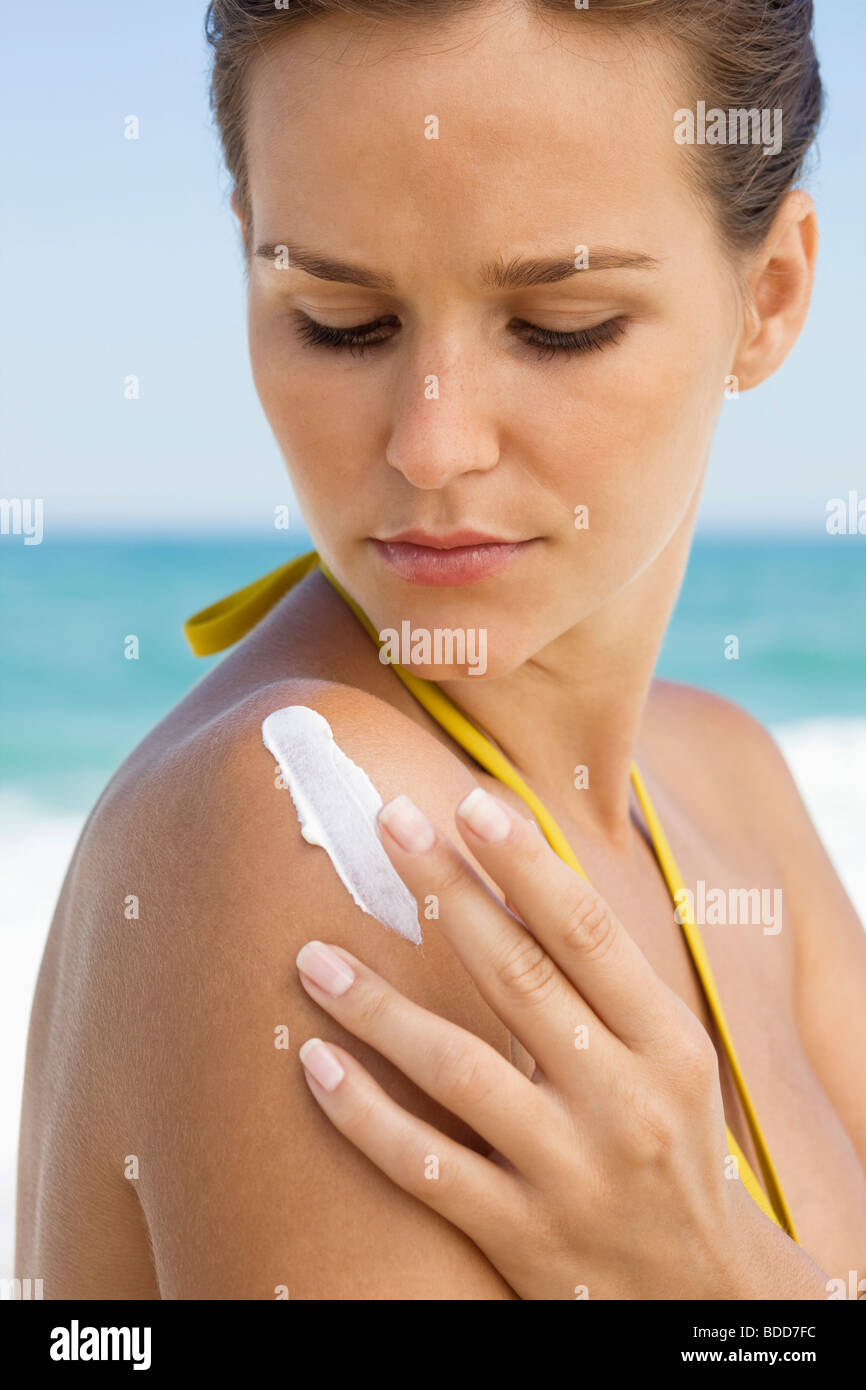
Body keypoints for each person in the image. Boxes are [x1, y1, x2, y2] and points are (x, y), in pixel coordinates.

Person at [15, 0, 866, 1299]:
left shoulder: (732, 789)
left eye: (560, 322)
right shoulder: (307, 817)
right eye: (337, 319)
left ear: (771, 294)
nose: (430, 445)